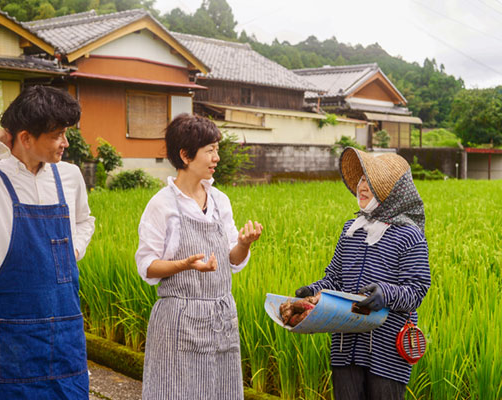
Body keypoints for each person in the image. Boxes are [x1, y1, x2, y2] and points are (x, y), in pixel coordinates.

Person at [0, 85, 95, 399]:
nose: (66, 143)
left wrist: (74, 249)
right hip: (9, 336)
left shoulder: (69, 176)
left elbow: (84, 220)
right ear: (26, 137)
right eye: (57, 135)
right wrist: (4, 133)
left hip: (64, 332)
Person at [135, 113, 263, 399]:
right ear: (185, 155)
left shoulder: (220, 200)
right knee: (177, 391)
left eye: (217, 149)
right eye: (210, 150)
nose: (216, 157)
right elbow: (147, 266)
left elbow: (232, 258)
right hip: (180, 321)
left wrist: (244, 243)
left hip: (220, 317)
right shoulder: (162, 205)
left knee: (221, 390)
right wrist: (184, 265)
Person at [295, 147, 431, 400]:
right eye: (361, 180)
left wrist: (386, 293)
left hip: (387, 348)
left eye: (370, 181)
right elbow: (334, 278)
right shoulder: (351, 230)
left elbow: (417, 289)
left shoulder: (410, 235)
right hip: (346, 346)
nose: (362, 186)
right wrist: (311, 291)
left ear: (392, 192)